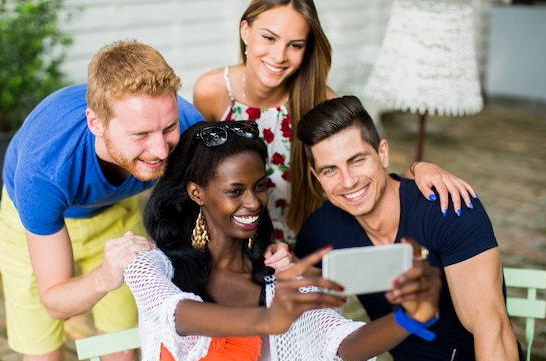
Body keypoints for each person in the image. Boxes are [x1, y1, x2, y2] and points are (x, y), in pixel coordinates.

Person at [0, 40, 279, 361]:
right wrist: (105, 276)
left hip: (114, 214)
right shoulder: (45, 169)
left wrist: (265, 250)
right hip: (33, 222)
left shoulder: (187, 125)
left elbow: (231, 196)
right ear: (96, 122)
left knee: (124, 352)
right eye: (140, 135)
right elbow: (56, 301)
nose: (161, 150)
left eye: (167, 128)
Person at [122, 120, 442, 361]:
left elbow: (342, 344)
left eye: (259, 187)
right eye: (236, 191)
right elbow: (174, 314)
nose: (254, 202)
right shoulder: (154, 266)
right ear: (197, 192)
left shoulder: (275, 280)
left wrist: (408, 318)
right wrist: (270, 319)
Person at [293, 96, 539, 361]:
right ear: (316, 177)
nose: (348, 181)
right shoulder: (320, 232)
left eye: (357, 160)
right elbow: (296, 318)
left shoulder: (447, 208)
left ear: (383, 153)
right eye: (330, 170)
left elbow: (492, 330)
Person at [193, 0, 476, 246]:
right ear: (246, 31)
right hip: (234, 242)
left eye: (295, 45)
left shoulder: (322, 101)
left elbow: (364, 172)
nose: (279, 56)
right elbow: (199, 177)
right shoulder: (212, 91)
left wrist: (419, 168)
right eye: (269, 38)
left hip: (306, 245)